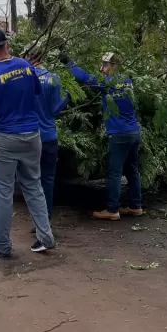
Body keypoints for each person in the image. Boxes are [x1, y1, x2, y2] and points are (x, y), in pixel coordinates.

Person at [0, 29, 55, 257]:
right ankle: (46, 238)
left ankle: (1, 245)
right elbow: (36, 91)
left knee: (3, 192)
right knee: (34, 186)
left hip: (5, 138)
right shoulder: (26, 66)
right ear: (7, 45)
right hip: (32, 136)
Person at [60, 51, 142, 220]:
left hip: (119, 134)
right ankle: (136, 206)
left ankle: (112, 210)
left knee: (114, 173)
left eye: (105, 65)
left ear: (115, 66)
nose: (101, 68)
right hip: (134, 132)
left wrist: (68, 61)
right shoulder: (127, 81)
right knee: (132, 170)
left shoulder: (106, 83)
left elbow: (84, 77)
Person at [26, 50, 69, 226]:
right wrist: (66, 98)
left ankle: (36, 220)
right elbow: (54, 110)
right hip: (49, 137)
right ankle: (46, 219)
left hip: (31, 136)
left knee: (31, 181)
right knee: (48, 180)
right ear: (42, 57)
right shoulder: (53, 78)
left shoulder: (25, 78)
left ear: (28, 58)